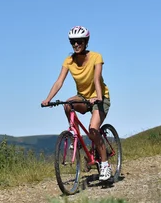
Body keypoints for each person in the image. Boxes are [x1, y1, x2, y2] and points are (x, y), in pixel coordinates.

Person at [41, 26, 113, 181]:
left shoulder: (96, 57)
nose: (76, 45)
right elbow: (59, 81)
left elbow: (96, 79)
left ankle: (105, 164)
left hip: (100, 98)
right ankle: (75, 135)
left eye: (79, 41)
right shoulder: (69, 61)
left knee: (93, 129)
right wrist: (48, 99)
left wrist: (98, 98)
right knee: (68, 104)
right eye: (72, 42)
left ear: (86, 42)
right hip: (83, 97)